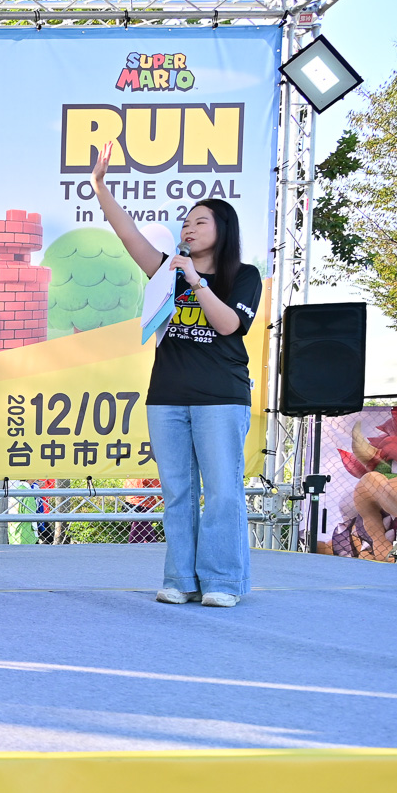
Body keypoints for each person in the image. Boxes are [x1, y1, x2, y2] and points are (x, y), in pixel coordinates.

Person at [88, 141, 260, 607]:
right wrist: (100, 186)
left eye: (200, 221)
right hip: (167, 396)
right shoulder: (166, 270)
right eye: (186, 222)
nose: (189, 227)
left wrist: (197, 282)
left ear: (223, 230)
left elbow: (228, 324)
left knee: (222, 492)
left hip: (221, 397)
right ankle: (180, 578)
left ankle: (222, 581)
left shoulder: (244, 275)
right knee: (177, 492)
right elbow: (128, 234)